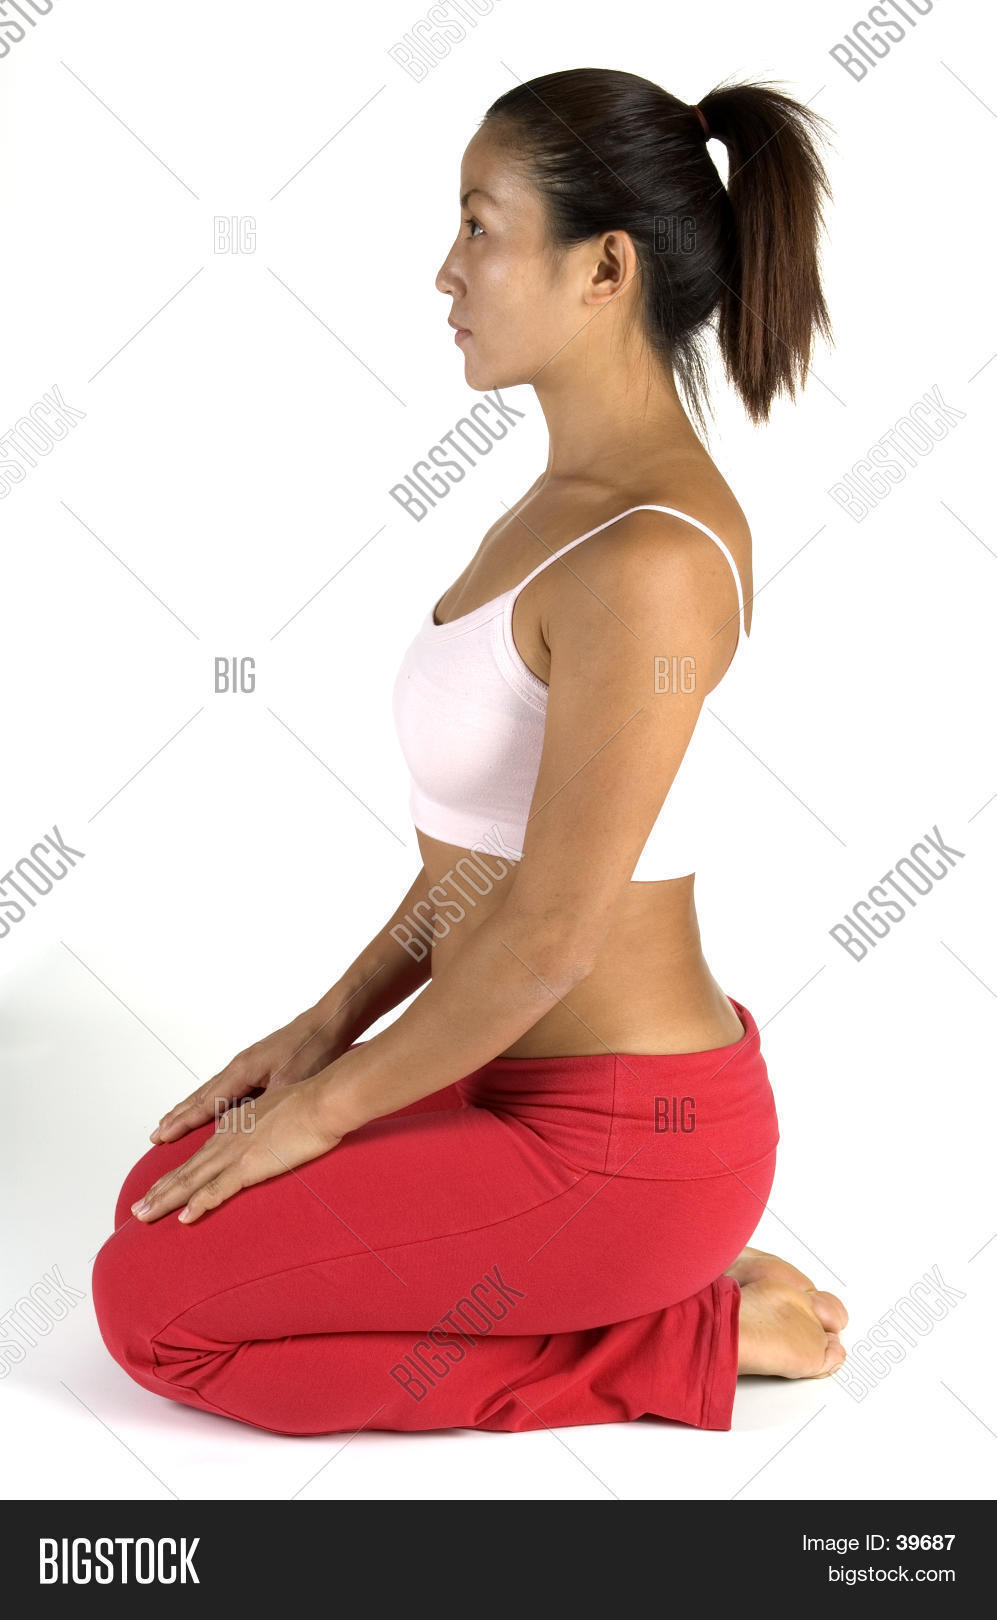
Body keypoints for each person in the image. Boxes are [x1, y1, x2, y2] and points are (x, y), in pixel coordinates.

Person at [93, 69, 847, 1437]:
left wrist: (327, 1114)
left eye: (480, 227)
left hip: (622, 1141)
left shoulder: (653, 559)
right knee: (161, 1194)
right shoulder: (557, 506)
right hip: (498, 1076)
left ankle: (681, 1330)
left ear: (603, 269)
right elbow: (484, 862)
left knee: (155, 1311)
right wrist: (323, 1031)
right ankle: (635, 1284)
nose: (446, 271)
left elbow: (551, 933)